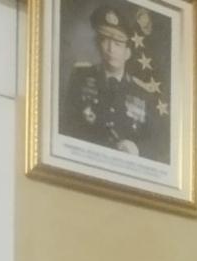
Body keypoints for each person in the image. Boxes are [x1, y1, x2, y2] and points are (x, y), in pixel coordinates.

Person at [60, 5, 158, 160]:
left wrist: (136, 149)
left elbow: (156, 142)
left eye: (118, 44)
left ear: (128, 52)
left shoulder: (142, 92)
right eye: (105, 41)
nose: (110, 49)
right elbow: (66, 126)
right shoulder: (80, 77)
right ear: (98, 45)